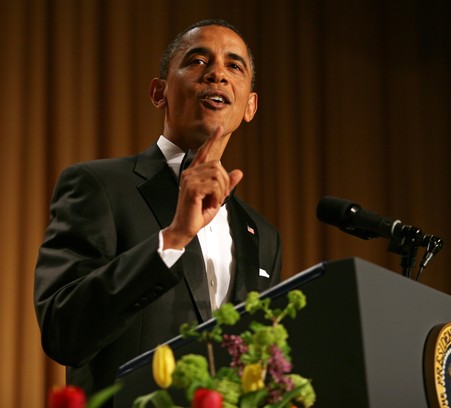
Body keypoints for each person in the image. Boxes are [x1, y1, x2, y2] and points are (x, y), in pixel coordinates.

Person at [34, 19, 282, 398]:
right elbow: (62, 331)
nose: (217, 73)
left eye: (234, 66)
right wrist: (174, 237)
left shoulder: (262, 234)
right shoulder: (99, 186)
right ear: (158, 92)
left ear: (250, 105)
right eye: (197, 61)